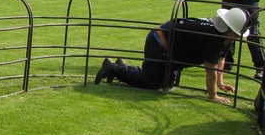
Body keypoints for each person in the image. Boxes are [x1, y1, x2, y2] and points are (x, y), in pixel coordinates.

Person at [94, 7, 250, 105]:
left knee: (167, 83)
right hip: (159, 42)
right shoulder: (214, 39)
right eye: (237, 33)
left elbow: (220, 59)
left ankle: (123, 66)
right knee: (152, 83)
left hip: (170, 47)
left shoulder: (223, 35)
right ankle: (113, 68)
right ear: (230, 29)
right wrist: (213, 95)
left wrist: (220, 83)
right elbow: (210, 70)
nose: (238, 37)